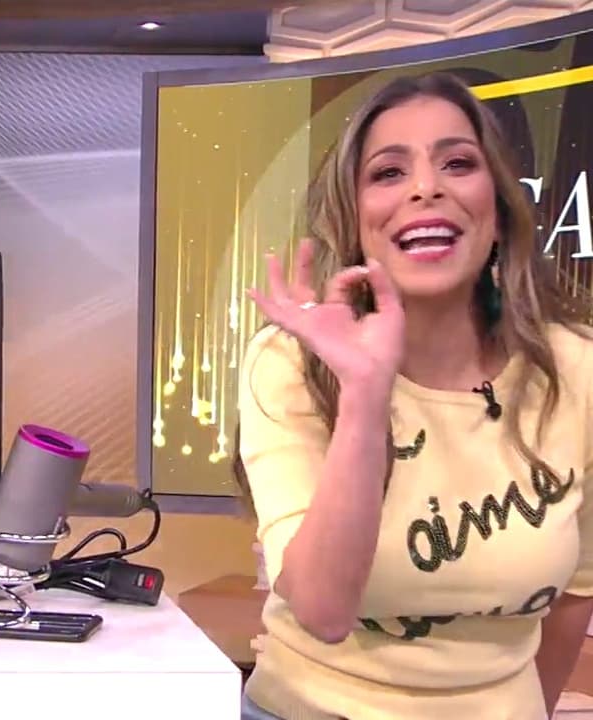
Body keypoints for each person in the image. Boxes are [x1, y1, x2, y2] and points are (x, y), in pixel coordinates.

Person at [235, 71, 593, 719]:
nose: (426, 188)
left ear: (498, 209)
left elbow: (576, 594)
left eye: (458, 163)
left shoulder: (577, 367)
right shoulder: (291, 362)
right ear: (356, 220)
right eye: (389, 172)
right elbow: (321, 610)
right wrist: (365, 391)